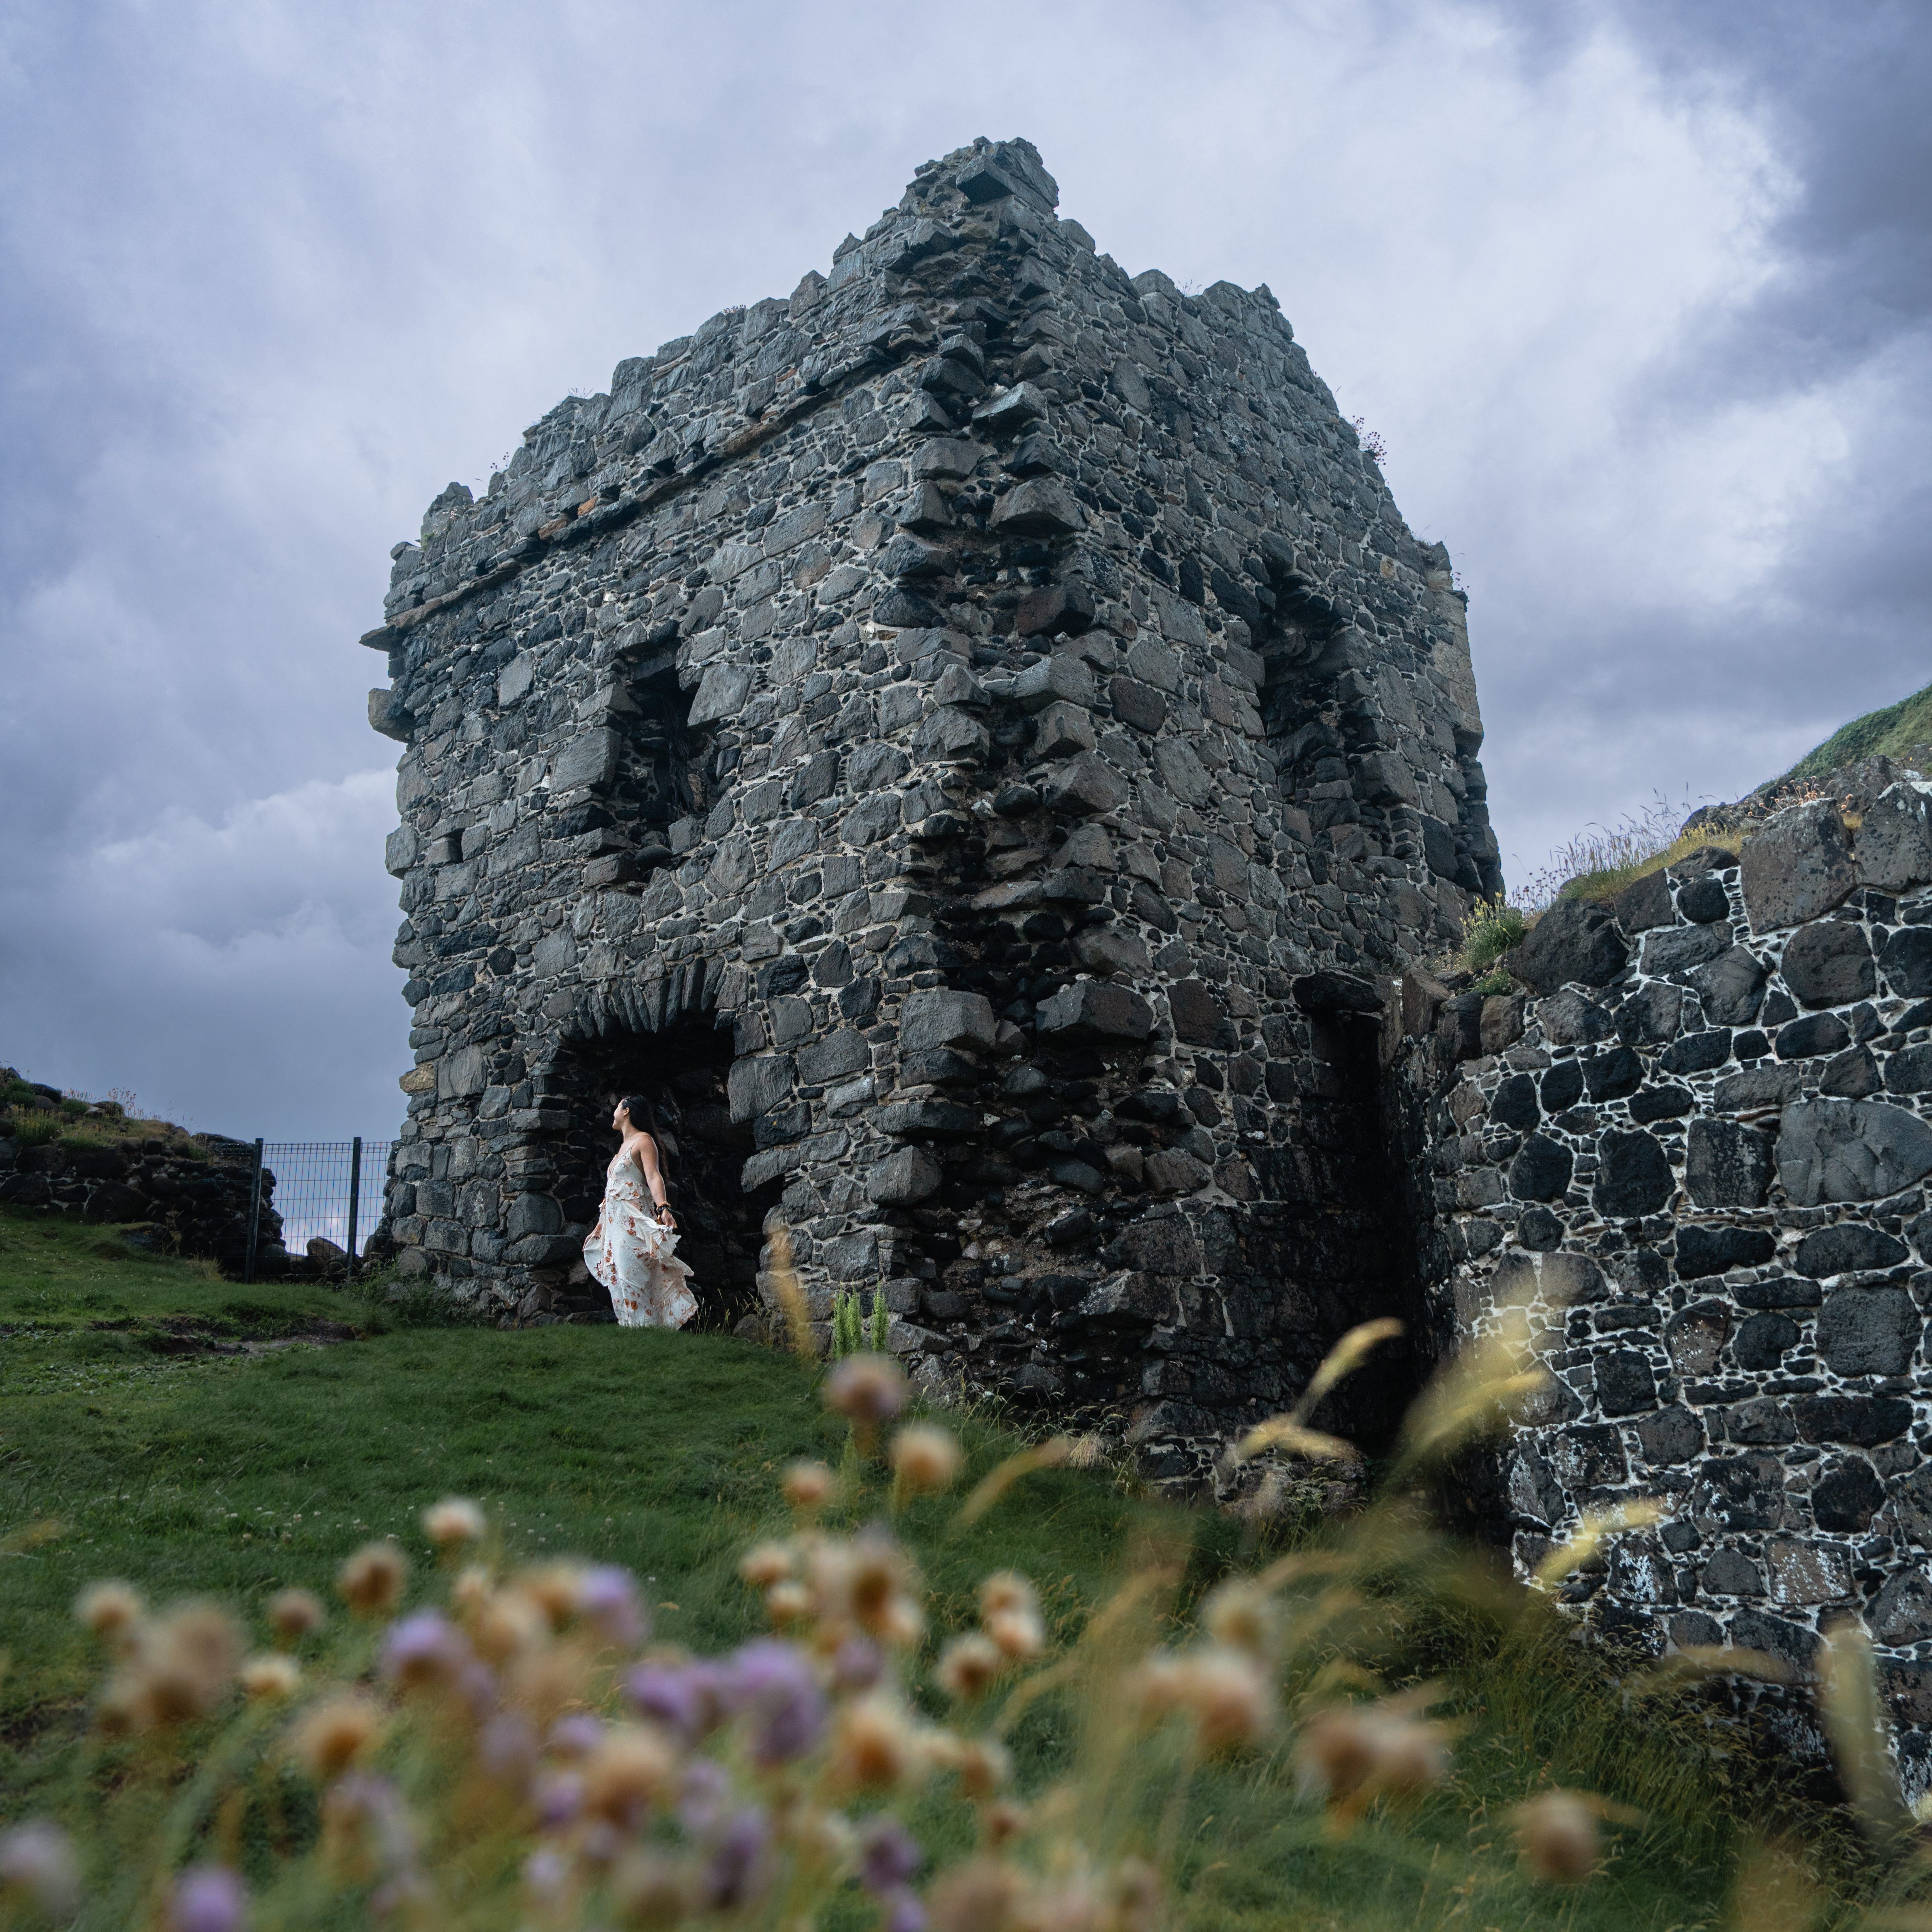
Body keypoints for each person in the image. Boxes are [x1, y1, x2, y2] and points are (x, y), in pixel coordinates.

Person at [583, 1095, 697, 1329]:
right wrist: (601, 1228)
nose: (613, 1111)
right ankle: (632, 1332)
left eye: (617, 1107)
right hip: (615, 1227)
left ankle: (647, 1332)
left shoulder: (644, 1141)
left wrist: (663, 1208)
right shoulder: (622, 1148)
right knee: (617, 1277)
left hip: (632, 1225)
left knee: (631, 1274)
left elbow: (654, 1176)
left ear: (627, 1112)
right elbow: (613, 1195)